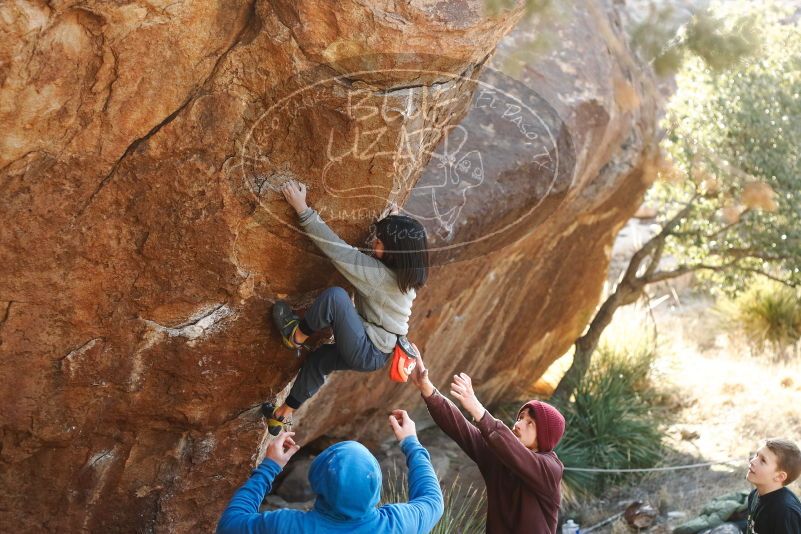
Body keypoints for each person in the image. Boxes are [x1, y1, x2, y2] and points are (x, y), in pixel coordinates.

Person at [262, 179, 429, 435]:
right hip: (377, 352)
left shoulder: (380, 278)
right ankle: (281, 415)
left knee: (336, 298)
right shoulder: (409, 276)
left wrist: (302, 209)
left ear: (395, 254)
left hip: (367, 348)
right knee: (318, 361)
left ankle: (295, 337)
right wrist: (394, 221)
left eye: (380, 242)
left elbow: (338, 251)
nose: (375, 243)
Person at [216, 410, 444, 534]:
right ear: (375, 486)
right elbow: (433, 501)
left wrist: (270, 467)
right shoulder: (397, 525)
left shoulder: (288, 526)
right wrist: (411, 443)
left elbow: (230, 523)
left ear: (317, 482)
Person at [409, 354, 565, 534]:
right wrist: (426, 388)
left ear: (545, 436)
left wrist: (477, 408)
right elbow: (460, 428)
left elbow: (521, 457)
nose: (518, 424)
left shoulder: (550, 470)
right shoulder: (499, 458)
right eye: (521, 418)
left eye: (530, 423)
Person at [744, 437, 801, 534]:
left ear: (779, 476)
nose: (752, 461)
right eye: (757, 455)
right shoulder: (754, 495)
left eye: (763, 460)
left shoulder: (785, 512)